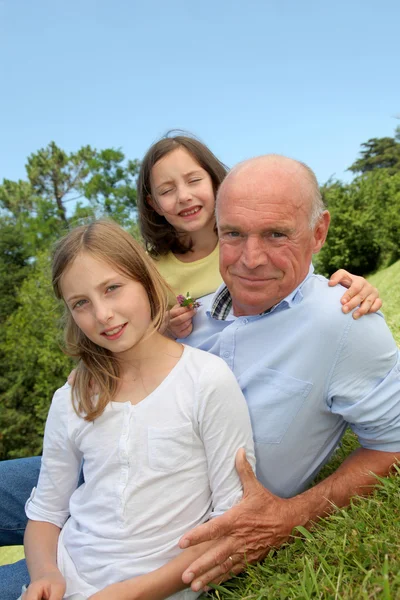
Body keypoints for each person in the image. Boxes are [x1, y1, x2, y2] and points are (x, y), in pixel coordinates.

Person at [167, 154, 400, 593]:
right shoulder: (188, 318)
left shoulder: (343, 322)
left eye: (276, 234)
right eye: (233, 234)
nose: (250, 259)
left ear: (318, 232)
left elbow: (393, 445)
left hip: (151, 543)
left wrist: (290, 517)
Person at [18, 219, 255, 600]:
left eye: (112, 288)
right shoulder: (73, 396)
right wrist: (47, 574)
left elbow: (230, 525)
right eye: (81, 303)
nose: (103, 315)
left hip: (158, 586)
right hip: (70, 573)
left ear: (145, 281)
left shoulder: (205, 379)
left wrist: (126, 594)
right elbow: (46, 513)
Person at [137, 133, 382, 339]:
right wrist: (166, 329)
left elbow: (305, 287)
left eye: (194, 181)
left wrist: (352, 289)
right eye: (167, 190)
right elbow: (141, 337)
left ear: (215, 182)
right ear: (154, 204)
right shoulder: (148, 269)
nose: (183, 196)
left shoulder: (260, 241)